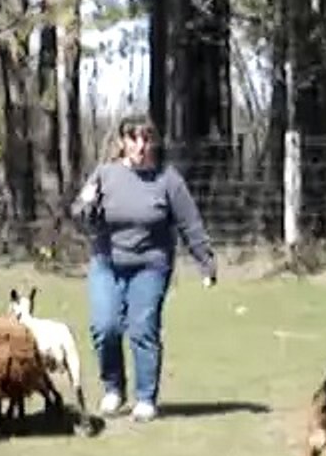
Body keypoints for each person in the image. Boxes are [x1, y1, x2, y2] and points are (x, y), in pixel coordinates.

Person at [70, 112, 217, 422]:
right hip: (107, 262)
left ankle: (146, 398)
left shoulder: (167, 179)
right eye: (134, 139)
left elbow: (190, 222)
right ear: (122, 142)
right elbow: (80, 214)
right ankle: (113, 388)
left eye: (146, 139)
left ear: (153, 142)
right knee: (104, 326)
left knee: (142, 328)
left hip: (151, 265)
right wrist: (87, 205)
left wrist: (205, 261)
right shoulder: (105, 174)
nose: (140, 145)